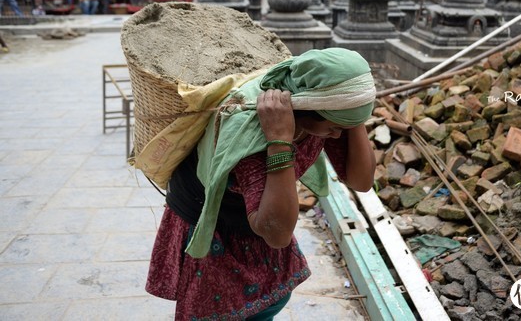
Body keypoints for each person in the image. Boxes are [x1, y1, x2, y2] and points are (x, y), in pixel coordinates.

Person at [146, 48, 377, 320]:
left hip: (259, 219)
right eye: (334, 126)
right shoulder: (252, 137)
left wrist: (353, 108)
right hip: (217, 227)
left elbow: (361, 181)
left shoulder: (323, 115)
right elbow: (277, 234)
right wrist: (279, 140)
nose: (338, 135)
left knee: (266, 306)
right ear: (305, 107)